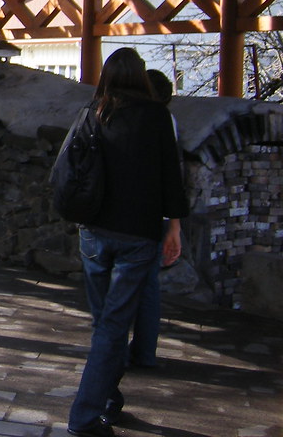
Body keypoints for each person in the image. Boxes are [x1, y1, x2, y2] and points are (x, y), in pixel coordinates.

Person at [67, 49, 189, 437]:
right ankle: (84, 417)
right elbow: (171, 176)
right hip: (138, 235)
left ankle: (107, 400)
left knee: (105, 324)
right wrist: (174, 226)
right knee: (112, 326)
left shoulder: (93, 112)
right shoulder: (156, 116)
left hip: (93, 231)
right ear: (140, 76)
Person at [127, 69, 177, 369]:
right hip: (156, 212)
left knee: (130, 288)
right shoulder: (168, 122)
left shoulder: (142, 120)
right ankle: (144, 350)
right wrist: (174, 223)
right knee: (148, 286)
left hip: (135, 213)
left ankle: (130, 352)